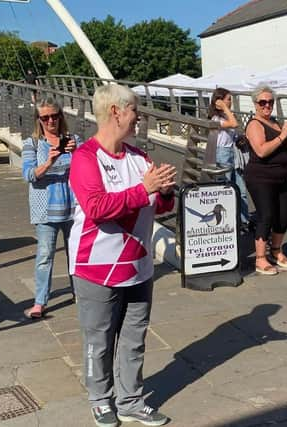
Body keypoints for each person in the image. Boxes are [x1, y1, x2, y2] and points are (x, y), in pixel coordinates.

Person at [68, 84, 175, 427]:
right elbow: (97, 208)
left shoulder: (139, 157)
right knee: (99, 340)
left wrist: (166, 193)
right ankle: (100, 399)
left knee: (134, 338)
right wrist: (144, 189)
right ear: (116, 111)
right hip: (96, 267)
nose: (139, 117)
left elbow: (157, 205)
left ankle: (130, 400)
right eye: (135, 111)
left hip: (139, 266)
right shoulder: (86, 158)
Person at [22, 99, 79, 319]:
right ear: (39, 120)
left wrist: (78, 154)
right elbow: (28, 175)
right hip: (45, 209)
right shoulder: (33, 144)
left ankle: (79, 293)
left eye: (54, 116)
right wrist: (50, 161)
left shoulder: (74, 140)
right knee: (45, 255)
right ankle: (40, 302)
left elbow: (89, 169)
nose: (51, 121)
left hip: (72, 207)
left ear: (61, 116)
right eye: (45, 117)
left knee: (75, 253)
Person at [245, 85, 287, 275]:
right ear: (255, 104)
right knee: (266, 215)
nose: (267, 105)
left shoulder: (276, 123)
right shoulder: (254, 124)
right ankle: (260, 259)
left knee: (285, 214)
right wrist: (282, 135)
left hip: (280, 176)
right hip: (260, 177)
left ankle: (276, 250)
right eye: (263, 102)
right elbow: (261, 150)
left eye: (270, 102)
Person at [208, 88, 250, 225]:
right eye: (228, 99)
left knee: (240, 189)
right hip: (222, 154)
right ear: (219, 101)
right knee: (225, 188)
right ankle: (226, 220)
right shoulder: (216, 119)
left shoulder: (227, 116)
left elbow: (234, 129)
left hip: (231, 153)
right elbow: (234, 124)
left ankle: (244, 220)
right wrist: (225, 108)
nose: (230, 102)